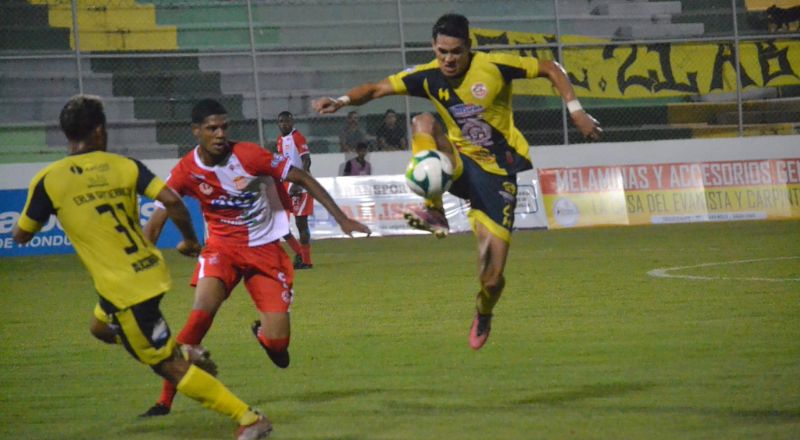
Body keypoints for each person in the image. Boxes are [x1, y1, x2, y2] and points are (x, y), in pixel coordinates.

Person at [313, 13, 602, 350]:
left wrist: (577, 111)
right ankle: (434, 209)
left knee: (491, 279)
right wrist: (342, 101)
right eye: (441, 51)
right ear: (434, 48)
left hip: (497, 176)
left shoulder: (494, 66)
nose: (448, 59)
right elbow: (377, 89)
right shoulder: (428, 76)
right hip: (459, 164)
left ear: (469, 48)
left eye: (456, 51)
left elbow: (551, 67)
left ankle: (483, 310)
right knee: (423, 121)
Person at [11, 95, 272, 440]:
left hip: (125, 288)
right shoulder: (125, 166)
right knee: (100, 328)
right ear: (100, 131)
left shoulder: (49, 180)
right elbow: (172, 202)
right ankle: (180, 350)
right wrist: (191, 241)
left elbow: (22, 234)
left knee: (165, 365)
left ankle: (248, 416)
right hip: (144, 270)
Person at [139, 99, 370, 417]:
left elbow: (300, 177)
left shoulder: (249, 155)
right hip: (221, 250)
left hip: (265, 252)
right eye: (211, 129)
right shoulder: (186, 170)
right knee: (199, 317)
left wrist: (341, 219)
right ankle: (164, 401)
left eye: (224, 127)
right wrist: (140, 265)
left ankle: (264, 335)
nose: (220, 134)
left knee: (279, 349)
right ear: (196, 132)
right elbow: (157, 217)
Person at [276, 111, 314, 269]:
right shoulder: (279, 140)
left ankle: (306, 261)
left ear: (292, 122)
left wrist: (300, 182)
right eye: (281, 121)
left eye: (286, 121)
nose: (283, 124)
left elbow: (307, 160)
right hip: (285, 185)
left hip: (300, 186)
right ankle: (299, 253)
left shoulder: (297, 137)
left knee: (301, 224)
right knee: (281, 225)